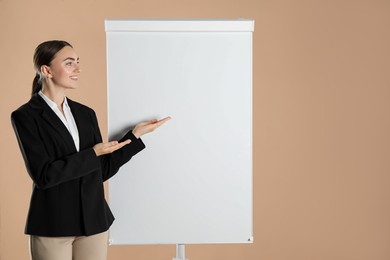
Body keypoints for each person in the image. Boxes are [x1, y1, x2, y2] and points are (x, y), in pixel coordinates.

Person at [11, 40, 171, 260]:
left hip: (94, 222)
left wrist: (134, 136)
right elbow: (44, 176)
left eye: (77, 62)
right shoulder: (25, 116)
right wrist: (93, 153)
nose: (77, 69)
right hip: (53, 225)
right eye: (69, 63)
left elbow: (100, 171)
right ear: (46, 70)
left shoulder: (85, 114)